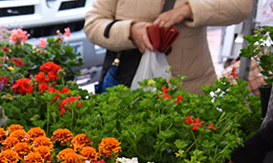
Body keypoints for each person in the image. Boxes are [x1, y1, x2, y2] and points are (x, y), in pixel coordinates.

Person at [85, 0, 254, 94]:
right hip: (126, 82)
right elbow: (93, 24)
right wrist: (130, 31)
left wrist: (188, 10)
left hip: (187, 85)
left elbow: (240, 6)